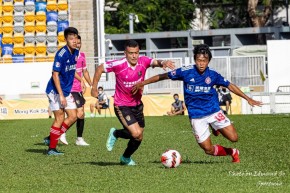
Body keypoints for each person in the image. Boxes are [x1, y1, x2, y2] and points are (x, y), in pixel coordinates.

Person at [132, 44, 263, 163]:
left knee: (234, 138)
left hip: (213, 111)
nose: (201, 64)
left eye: (204, 61)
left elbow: (230, 86)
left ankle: (215, 127)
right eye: (199, 60)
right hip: (196, 116)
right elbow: (162, 76)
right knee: (208, 150)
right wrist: (142, 83)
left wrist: (248, 98)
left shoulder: (213, 75)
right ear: (195, 60)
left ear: (208, 61)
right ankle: (232, 152)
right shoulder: (186, 71)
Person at [91, 40, 175, 165]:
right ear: (125, 53)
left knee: (139, 136)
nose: (134, 56)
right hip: (122, 105)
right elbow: (100, 68)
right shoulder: (119, 64)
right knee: (136, 133)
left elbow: (155, 62)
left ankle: (125, 157)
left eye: (136, 53)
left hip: (137, 104)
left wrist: (163, 62)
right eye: (131, 53)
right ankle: (116, 134)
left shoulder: (143, 61)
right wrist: (93, 87)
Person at [43, 27, 79, 155]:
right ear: (65, 40)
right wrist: (62, 95)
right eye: (71, 38)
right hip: (55, 90)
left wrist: (81, 81)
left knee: (74, 116)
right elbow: (55, 75)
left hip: (66, 91)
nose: (74, 41)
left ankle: (51, 138)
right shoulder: (61, 54)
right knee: (60, 117)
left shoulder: (76, 52)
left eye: (75, 38)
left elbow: (71, 70)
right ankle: (51, 149)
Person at [59, 35, 92, 146]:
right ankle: (61, 133)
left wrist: (91, 84)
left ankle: (78, 138)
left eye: (79, 43)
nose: (77, 45)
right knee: (78, 114)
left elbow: (85, 71)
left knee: (81, 115)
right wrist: (81, 80)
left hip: (78, 89)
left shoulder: (82, 55)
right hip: (70, 88)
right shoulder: (69, 56)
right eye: (75, 43)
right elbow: (71, 72)